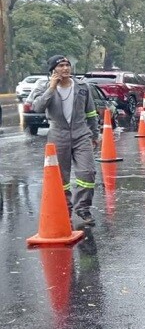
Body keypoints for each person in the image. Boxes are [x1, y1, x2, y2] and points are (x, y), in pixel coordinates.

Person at [32, 55, 100, 226]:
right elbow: (37, 107)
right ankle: (65, 209)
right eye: (61, 65)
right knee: (61, 178)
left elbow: (91, 113)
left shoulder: (83, 87)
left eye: (67, 65)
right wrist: (51, 88)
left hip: (81, 134)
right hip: (58, 135)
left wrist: (94, 134)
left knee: (88, 173)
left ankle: (83, 208)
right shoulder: (44, 87)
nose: (65, 68)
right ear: (53, 70)